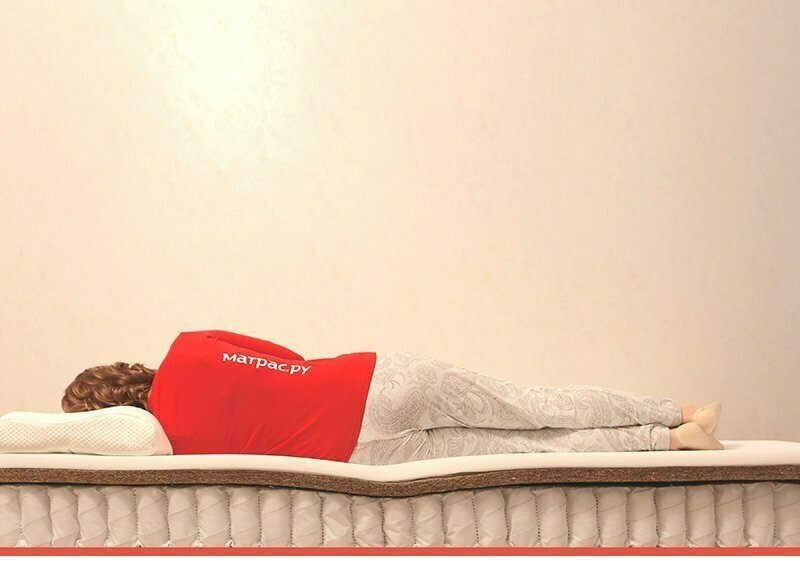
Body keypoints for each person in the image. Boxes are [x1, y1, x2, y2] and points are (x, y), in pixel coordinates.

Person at [61, 330, 723, 465]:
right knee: (534, 406)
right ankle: (682, 412)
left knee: (530, 449)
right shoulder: (189, 346)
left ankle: (668, 441)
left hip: (354, 454)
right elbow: (284, 354)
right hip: (372, 382)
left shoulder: (167, 443)